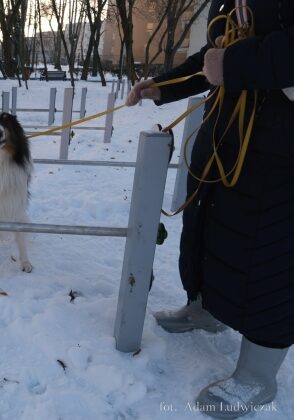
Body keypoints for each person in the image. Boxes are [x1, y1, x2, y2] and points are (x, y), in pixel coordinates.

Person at [126, 0, 293, 417]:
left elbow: (234, 59)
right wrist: (164, 85)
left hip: (281, 155)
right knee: (209, 226)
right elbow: (214, 56)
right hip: (226, 137)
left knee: (270, 254)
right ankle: (207, 308)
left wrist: (236, 65)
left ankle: (258, 376)